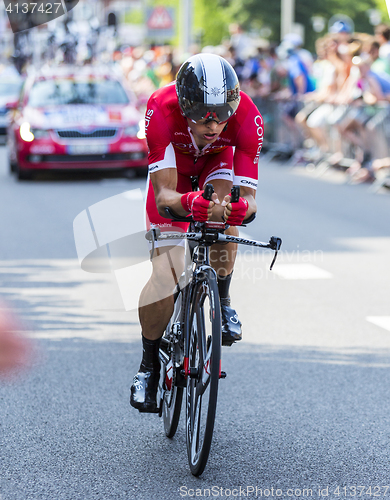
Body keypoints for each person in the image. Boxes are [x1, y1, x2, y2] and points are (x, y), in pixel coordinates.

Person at [130, 53, 263, 413]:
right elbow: (165, 199)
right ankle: (149, 366)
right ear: (185, 103)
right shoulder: (161, 108)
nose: (214, 122)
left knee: (224, 213)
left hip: (216, 165)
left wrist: (238, 210)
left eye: (222, 113)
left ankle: (222, 299)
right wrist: (189, 202)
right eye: (203, 113)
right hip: (175, 170)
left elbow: (249, 201)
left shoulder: (248, 118)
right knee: (166, 272)